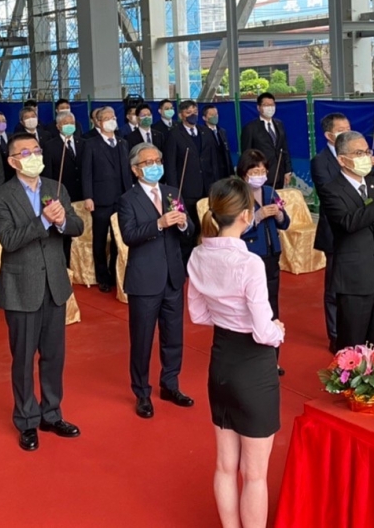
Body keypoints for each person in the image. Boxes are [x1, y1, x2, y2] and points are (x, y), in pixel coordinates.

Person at [188, 177, 285, 528]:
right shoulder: (250, 263)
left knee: (225, 465)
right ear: (247, 215)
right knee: (255, 474)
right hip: (254, 367)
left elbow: (198, 315)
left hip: (221, 362)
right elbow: (263, 331)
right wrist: (278, 331)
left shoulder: (198, 254)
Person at [0, 134, 84, 452]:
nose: (34, 156)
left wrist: (62, 221)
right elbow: (9, 240)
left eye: (37, 150)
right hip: (21, 286)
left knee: (54, 355)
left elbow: (77, 226)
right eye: (25, 152)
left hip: (54, 283)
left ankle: (52, 413)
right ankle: (27, 420)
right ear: (12, 161)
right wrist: (43, 220)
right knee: (24, 357)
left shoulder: (55, 188)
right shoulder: (1, 197)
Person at [118, 142, 194, 419]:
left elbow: (190, 229)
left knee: (173, 337)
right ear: (136, 169)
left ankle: (170, 384)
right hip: (144, 280)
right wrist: (159, 224)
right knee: (142, 340)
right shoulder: (128, 199)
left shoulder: (173, 192)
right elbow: (129, 235)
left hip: (173, 277)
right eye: (148, 162)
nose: (154, 166)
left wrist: (183, 223)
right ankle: (142, 392)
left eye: (158, 161)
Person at [318, 131, 374, 349]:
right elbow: (347, 223)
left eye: (367, 152)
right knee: (352, 344)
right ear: (342, 160)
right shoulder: (331, 190)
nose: (366, 157)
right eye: (358, 153)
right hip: (353, 278)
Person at [236, 149, 290, 375]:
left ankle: (272, 359)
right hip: (250, 257)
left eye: (263, 170)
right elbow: (233, 229)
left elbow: (285, 223)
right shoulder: (237, 195)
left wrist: (278, 214)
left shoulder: (269, 191)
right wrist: (256, 218)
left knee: (271, 307)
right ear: (244, 173)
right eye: (254, 170)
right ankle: (251, 360)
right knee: (251, 308)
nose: (260, 174)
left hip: (271, 256)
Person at [80, 106, 133, 293]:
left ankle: (114, 273)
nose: (112, 121)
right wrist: (88, 196)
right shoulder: (91, 144)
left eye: (114, 117)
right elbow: (86, 173)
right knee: (100, 240)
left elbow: (127, 172)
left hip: (122, 198)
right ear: (99, 122)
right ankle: (102, 276)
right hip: (101, 199)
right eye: (107, 118)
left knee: (120, 238)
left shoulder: (123, 142)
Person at [163, 100, 218, 264]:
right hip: (186, 189)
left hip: (207, 188)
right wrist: (174, 193)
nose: (193, 115)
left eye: (195, 112)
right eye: (188, 112)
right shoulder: (174, 134)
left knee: (207, 225)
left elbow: (213, 161)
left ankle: (206, 259)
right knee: (189, 227)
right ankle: (187, 261)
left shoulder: (205, 132)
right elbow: (170, 166)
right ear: (181, 115)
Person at [311, 113, 347, 352]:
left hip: (358, 229)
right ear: (329, 135)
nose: (347, 132)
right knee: (334, 288)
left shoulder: (357, 155)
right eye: (341, 129)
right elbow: (329, 193)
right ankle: (335, 336)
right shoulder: (320, 161)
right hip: (334, 230)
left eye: (348, 127)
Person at [43, 109, 84, 264]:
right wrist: (51, 198)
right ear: (58, 126)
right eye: (65, 123)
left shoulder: (83, 143)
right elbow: (48, 174)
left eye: (72, 122)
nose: (69, 125)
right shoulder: (50, 146)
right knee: (64, 233)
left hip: (82, 195)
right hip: (61, 196)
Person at [240, 93, 292, 189]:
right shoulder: (250, 128)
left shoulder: (279, 124)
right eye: (266, 105)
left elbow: (284, 148)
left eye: (272, 105)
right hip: (260, 177)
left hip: (279, 174)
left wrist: (287, 170)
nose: (270, 108)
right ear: (258, 107)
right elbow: (246, 155)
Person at [203, 104, 233, 181]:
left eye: (216, 114)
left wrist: (231, 172)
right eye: (211, 114)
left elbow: (227, 152)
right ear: (204, 118)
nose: (215, 116)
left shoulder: (222, 131)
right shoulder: (202, 133)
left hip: (224, 172)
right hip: (211, 173)